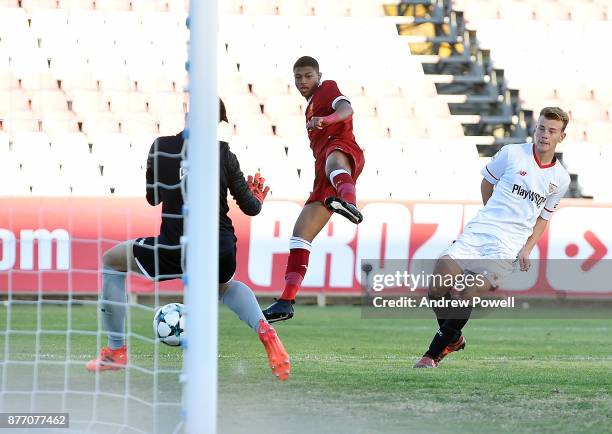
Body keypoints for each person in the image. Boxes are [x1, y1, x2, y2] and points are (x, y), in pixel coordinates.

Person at [86, 100, 291, 381]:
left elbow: (153, 198)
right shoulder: (224, 153)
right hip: (221, 247)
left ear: (188, 112)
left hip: (176, 246)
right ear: (217, 122)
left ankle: (116, 351)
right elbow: (251, 208)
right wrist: (255, 198)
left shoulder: (161, 147)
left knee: (112, 261)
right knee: (224, 287)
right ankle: (264, 328)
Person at [414, 107, 571, 368]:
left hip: (507, 245)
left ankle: (431, 354)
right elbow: (487, 183)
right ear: (535, 128)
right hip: (479, 231)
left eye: (551, 131)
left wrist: (527, 248)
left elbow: (544, 218)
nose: (544, 134)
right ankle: (452, 338)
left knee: (468, 291)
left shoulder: (560, 179)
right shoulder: (512, 154)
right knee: (436, 288)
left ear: (561, 137)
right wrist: (491, 217)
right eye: (541, 128)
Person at [263, 56, 365, 323]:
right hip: (322, 172)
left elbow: (346, 108)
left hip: (341, 147)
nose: (303, 81)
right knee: (300, 236)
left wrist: (327, 120)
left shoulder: (327, 88)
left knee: (334, 160)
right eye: (298, 77)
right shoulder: (309, 107)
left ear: (318, 76)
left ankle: (349, 202)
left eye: (308, 76)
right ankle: (285, 301)